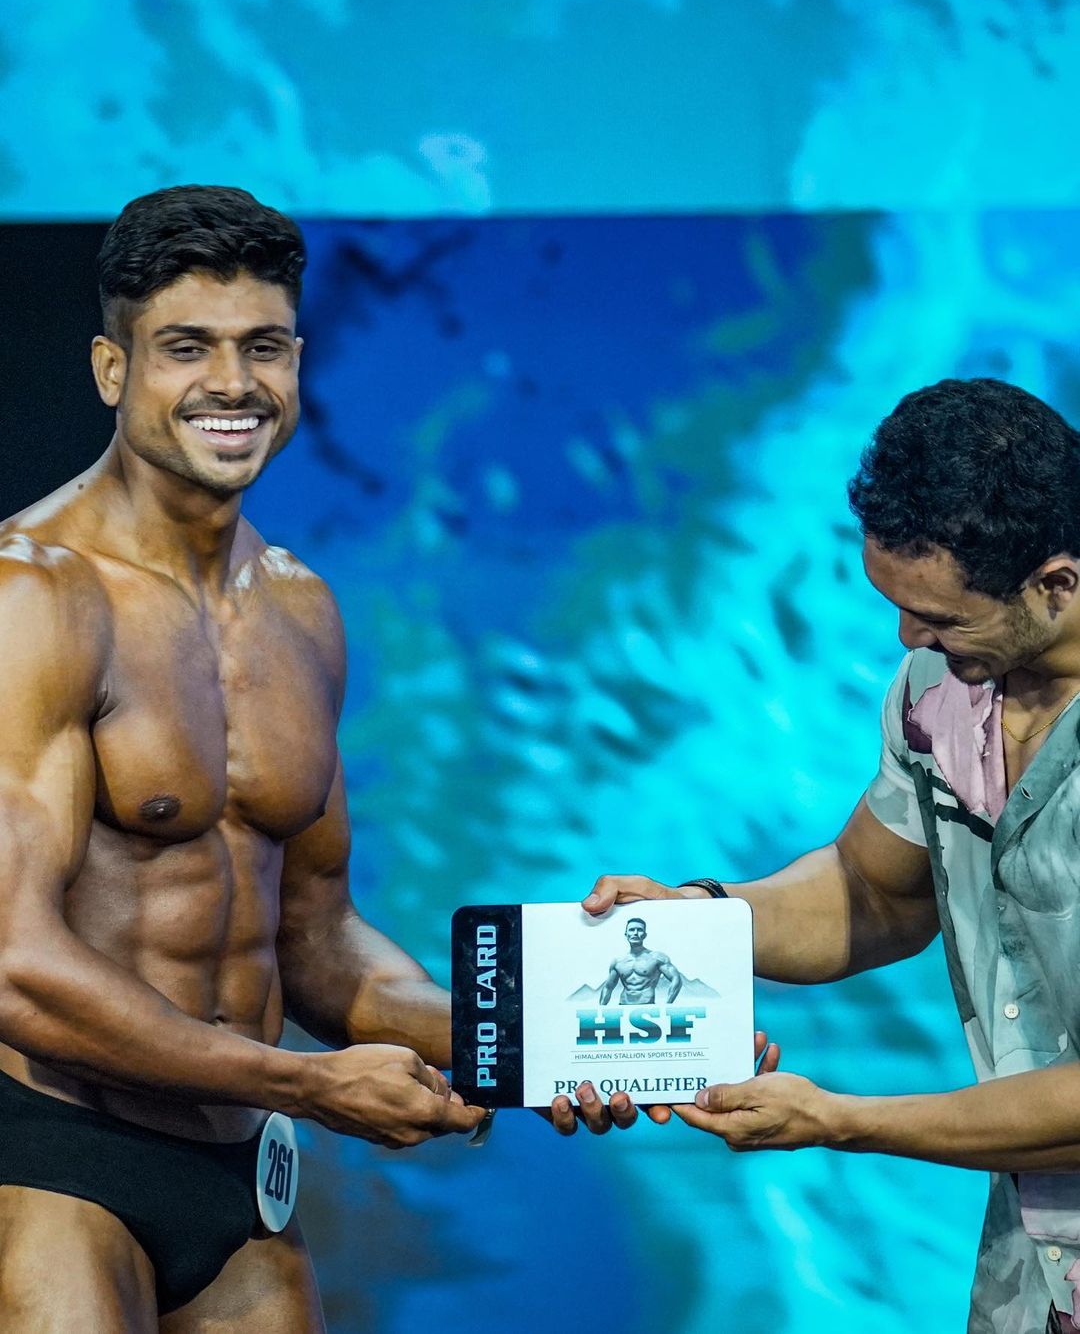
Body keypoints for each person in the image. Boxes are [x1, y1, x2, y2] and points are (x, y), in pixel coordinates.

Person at [0, 184, 629, 1334]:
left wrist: (542, 1046)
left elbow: (319, 945)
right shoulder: (35, 595)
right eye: (186, 348)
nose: (232, 382)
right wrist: (305, 1082)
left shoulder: (298, 609)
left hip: (243, 1169)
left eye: (264, 347)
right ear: (110, 369)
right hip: (53, 1155)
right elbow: (13, 962)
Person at [584, 378, 1080, 1334]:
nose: (909, 638)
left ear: (1054, 583)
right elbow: (871, 891)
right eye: (899, 606)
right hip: (1032, 1276)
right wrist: (702, 922)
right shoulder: (938, 688)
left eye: (941, 617)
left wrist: (840, 1118)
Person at [598, 917, 683, 1005]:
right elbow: (608, 987)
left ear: (645, 935)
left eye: (639, 930)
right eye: (631, 930)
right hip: (623, 1006)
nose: (635, 933)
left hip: (647, 1006)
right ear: (626, 934)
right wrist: (601, 1009)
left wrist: (668, 1004)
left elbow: (676, 978)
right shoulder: (618, 962)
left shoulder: (656, 958)